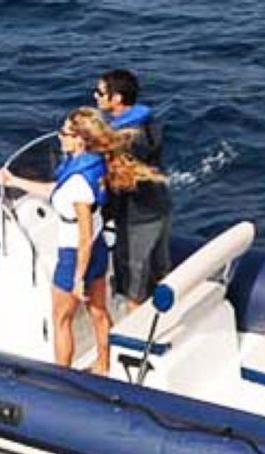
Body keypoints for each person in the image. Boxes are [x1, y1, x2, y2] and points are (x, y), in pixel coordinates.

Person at [0, 107, 164, 375]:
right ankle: (103, 365)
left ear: (80, 140)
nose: (59, 137)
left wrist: (77, 279)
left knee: (61, 319)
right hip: (98, 248)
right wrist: (14, 180)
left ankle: (62, 378)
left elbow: (82, 236)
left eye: (64, 133)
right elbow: (55, 190)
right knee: (98, 311)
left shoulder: (78, 184)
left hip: (76, 254)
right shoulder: (93, 165)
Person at [94, 69, 172, 310]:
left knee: (132, 282)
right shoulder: (147, 123)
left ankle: (134, 325)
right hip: (159, 207)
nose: (95, 96)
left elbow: (121, 177)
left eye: (100, 93)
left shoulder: (128, 140)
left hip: (137, 218)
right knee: (159, 268)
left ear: (116, 98)